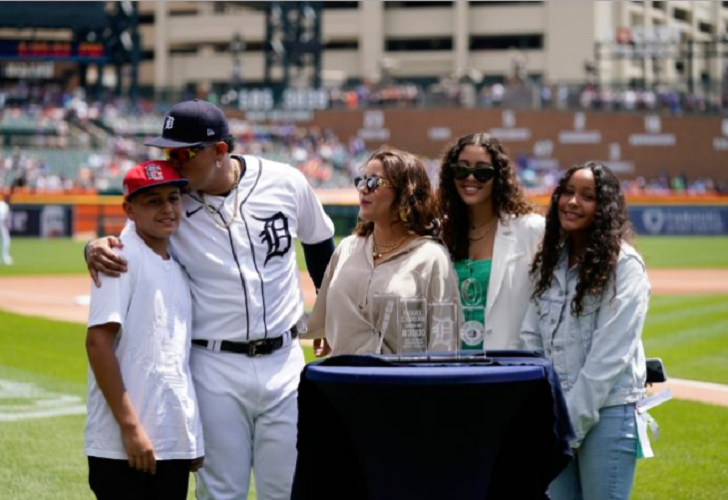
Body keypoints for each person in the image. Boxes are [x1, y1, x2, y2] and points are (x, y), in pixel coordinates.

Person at [85, 99, 336, 500]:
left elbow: (320, 240)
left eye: (183, 153)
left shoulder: (285, 181)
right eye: (167, 152)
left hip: (286, 362)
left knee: (286, 489)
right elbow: (124, 239)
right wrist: (92, 247)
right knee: (221, 492)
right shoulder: (173, 202)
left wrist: (329, 314)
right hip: (213, 367)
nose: (173, 162)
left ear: (220, 151)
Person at [520, 161, 650, 500]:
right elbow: (530, 341)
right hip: (556, 418)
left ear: (604, 207)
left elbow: (609, 358)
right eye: (567, 192)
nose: (573, 202)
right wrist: (544, 417)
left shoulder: (625, 266)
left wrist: (569, 429)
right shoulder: (549, 262)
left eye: (587, 196)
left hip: (607, 412)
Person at [85, 160, 203, 500]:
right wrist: (130, 427)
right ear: (129, 208)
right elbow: (97, 343)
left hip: (170, 443)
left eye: (173, 198)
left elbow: (174, 357)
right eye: (153, 201)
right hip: (123, 445)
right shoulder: (118, 257)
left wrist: (187, 435)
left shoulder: (178, 265)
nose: (167, 208)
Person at [306, 149, 461, 356]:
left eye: (374, 183)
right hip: (343, 383)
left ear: (406, 192)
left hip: (400, 384)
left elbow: (445, 342)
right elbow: (323, 323)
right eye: (362, 180)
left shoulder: (432, 257)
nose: (363, 189)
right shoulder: (347, 248)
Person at [437, 132, 544, 350]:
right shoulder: (439, 234)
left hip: (507, 370)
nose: (471, 178)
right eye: (461, 169)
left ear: (500, 177)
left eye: (483, 172)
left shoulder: (531, 229)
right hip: (450, 368)